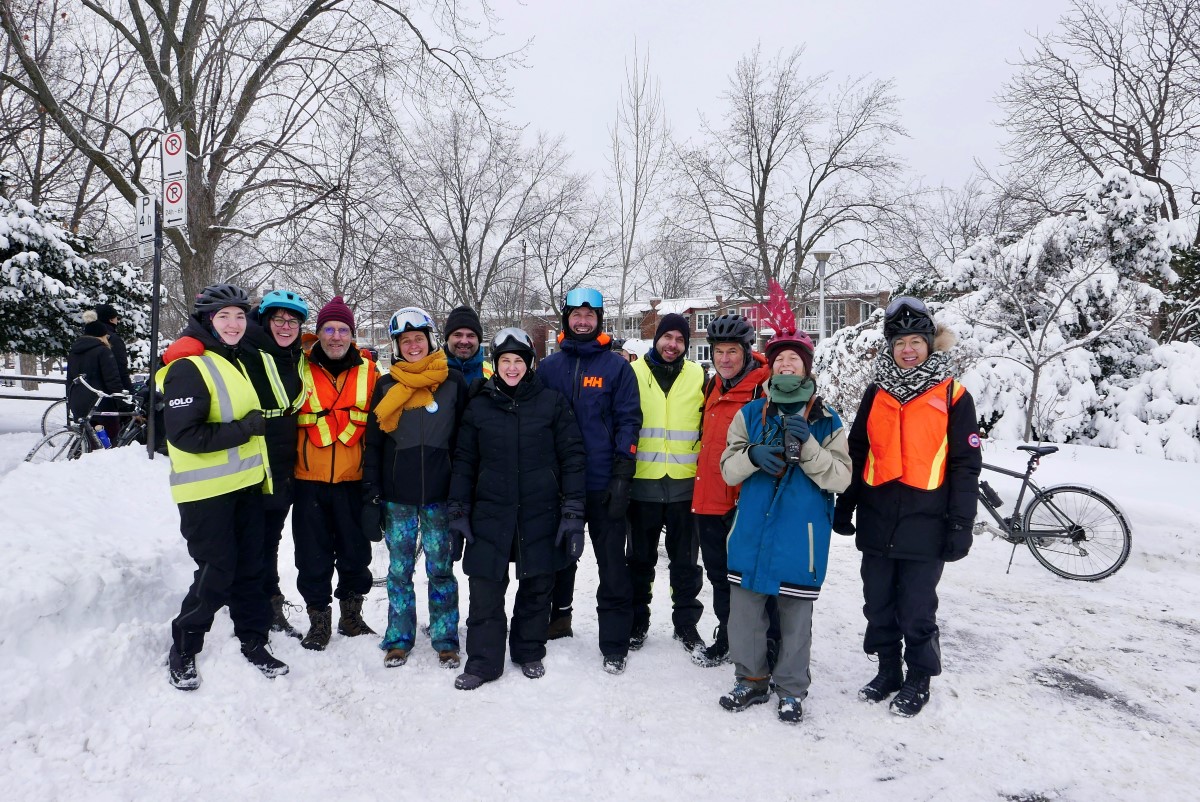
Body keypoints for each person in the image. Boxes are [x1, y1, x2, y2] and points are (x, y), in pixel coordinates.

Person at [833, 296, 982, 718]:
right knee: (877, 601)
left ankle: (919, 675)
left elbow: (965, 464)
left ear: (931, 345)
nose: (908, 349)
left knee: (916, 607)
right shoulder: (876, 393)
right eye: (900, 342)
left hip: (927, 520)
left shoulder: (953, 396)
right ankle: (887, 670)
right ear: (890, 347)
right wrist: (845, 505)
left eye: (916, 340)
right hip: (879, 517)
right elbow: (858, 451)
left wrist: (960, 523)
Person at [717, 319, 851, 724]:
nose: (786, 365)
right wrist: (753, 456)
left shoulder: (827, 419)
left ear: (807, 367)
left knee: (795, 617)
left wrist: (808, 445)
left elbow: (841, 478)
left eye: (794, 358)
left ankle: (791, 690)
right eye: (780, 359)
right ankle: (751, 679)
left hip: (801, 534)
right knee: (745, 612)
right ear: (770, 367)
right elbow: (728, 469)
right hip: (752, 529)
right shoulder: (751, 413)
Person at [156, 283, 285, 690]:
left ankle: (254, 640)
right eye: (224, 316)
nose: (234, 324)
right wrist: (243, 430)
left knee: (251, 567)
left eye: (240, 316)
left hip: (244, 487)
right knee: (217, 570)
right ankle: (185, 646)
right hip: (205, 493)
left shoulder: (229, 359)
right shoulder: (188, 366)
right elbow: (184, 435)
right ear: (207, 321)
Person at [448, 328, 587, 689]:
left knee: (538, 587)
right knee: (485, 591)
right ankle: (483, 662)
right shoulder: (479, 406)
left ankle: (528, 651)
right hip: (489, 512)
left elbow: (572, 457)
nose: (512, 367)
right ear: (495, 365)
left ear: (530, 364)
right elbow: (464, 460)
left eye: (519, 361)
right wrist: (458, 510)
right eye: (505, 361)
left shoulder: (551, 403)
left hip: (540, 511)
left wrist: (572, 511)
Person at [538, 288, 642, 674]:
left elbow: (630, 421)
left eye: (590, 314)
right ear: (565, 318)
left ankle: (614, 640)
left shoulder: (617, 368)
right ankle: (557, 618)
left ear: (600, 319)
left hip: (602, 483)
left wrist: (622, 474)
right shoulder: (548, 368)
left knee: (612, 563)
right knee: (559, 555)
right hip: (559, 483)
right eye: (576, 314)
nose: (583, 320)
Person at [363, 307, 466, 669]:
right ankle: (399, 638)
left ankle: (445, 639)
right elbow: (373, 443)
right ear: (397, 346)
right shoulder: (386, 385)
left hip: (440, 497)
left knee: (440, 570)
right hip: (398, 499)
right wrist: (372, 492)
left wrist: (461, 494)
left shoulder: (452, 383)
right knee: (399, 572)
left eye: (418, 339)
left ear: (430, 341)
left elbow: (464, 443)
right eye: (405, 340)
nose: (412, 345)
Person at [690, 314, 776, 668]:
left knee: (754, 580)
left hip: (745, 503)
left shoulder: (765, 387)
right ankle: (727, 637)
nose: (724, 359)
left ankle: (767, 646)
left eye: (732, 352)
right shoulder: (712, 386)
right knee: (719, 577)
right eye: (718, 351)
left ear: (746, 351)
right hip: (708, 498)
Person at [293, 296, 379, 651]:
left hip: (352, 480)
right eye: (328, 329)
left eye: (343, 330)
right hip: (308, 479)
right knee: (311, 555)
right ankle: (318, 620)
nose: (335, 336)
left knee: (355, 552)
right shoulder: (298, 366)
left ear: (352, 335)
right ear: (318, 332)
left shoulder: (370, 371)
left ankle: (351, 616)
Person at [626, 313, 706, 657]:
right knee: (640, 560)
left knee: (685, 561)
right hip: (643, 482)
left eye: (680, 340)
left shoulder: (698, 375)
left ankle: (686, 622)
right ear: (656, 338)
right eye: (667, 337)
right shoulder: (633, 373)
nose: (673, 345)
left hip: (685, 484)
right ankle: (637, 621)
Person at [243, 290, 309, 638]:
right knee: (254, 538)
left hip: (284, 462)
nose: (286, 326)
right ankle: (259, 603)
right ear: (265, 320)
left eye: (293, 321)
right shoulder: (247, 350)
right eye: (279, 319)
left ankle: (268, 600)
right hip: (253, 458)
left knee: (271, 538)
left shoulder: (295, 355)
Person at [67, 312, 126, 437]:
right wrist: (122, 402)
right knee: (108, 439)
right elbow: (113, 380)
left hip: (78, 403)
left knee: (87, 438)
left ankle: (79, 455)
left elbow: (70, 379)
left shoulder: (74, 351)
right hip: (100, 404)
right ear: (102, 335)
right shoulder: (103, 351)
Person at [442, 305, 494, 383]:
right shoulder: (431, 372)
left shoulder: (492, 373)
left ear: (478, 340)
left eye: (470, 336)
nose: (464, 341)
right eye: (457, 335)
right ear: (447, 339)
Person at [94, 303, 133, 393]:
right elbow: (121, 370)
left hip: (88, 394)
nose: (117, 321)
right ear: (111, 319)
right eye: (117, 318)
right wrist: (130, 392)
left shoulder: (86, 338)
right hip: (108, 394)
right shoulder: (113, 340)